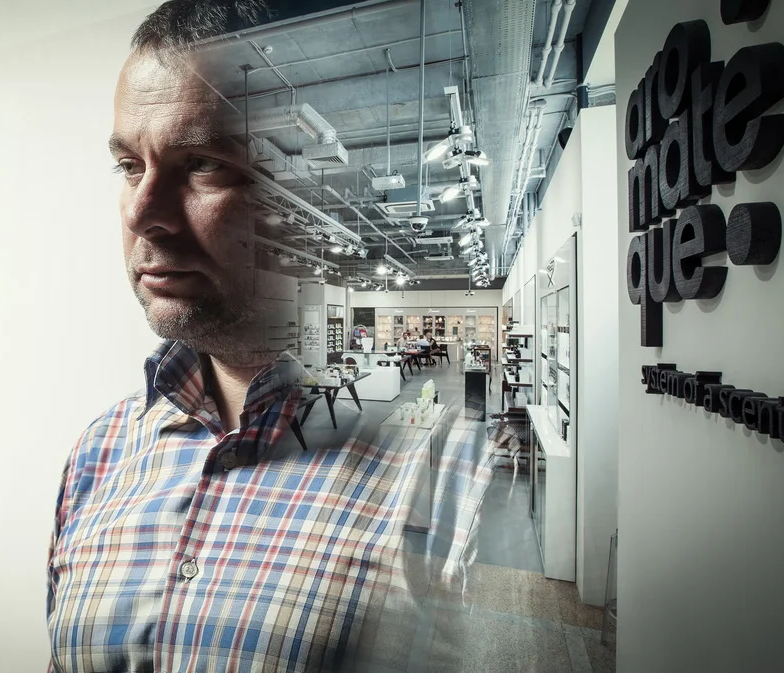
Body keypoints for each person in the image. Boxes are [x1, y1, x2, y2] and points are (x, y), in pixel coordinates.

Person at [46, 2, 491, 670]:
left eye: (201, 163)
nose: (142, 212)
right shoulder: (97, 458)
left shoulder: (446, 461)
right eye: (129, 166)